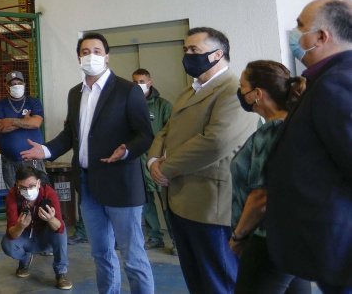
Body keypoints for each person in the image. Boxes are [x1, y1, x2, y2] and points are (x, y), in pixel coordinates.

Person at [22, 32, 155, 294]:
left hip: (121, 185)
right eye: (85, 52)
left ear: (107, 56)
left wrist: (126, 150)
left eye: (96, 51)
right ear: (78, 58)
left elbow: (145, 135)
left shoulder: (128, 90)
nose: (90, 56)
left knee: (132, 256)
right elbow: (70, 135)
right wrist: (46, 150)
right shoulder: (75, 93)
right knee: (101, 253)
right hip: (88, 184)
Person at [147, 27, 259, 294]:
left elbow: (215, 142)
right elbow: (166, 130)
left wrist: (166, 168)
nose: (187, 55)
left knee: (219, 280)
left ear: (217, 54)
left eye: (194, 50)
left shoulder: (233, 90)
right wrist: (153, 160)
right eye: (185, 49)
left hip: (211, 204)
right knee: (196, 278)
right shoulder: (189, 91)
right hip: (181, 200)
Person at [267, 0, 352, 294]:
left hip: (341, 249)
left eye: (300, 26)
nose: (296, 34)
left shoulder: (338, 83)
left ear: (321, 37)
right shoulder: (326, 80)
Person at [229, 61, 311, 294]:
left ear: (257, 93)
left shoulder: (272, 131)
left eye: (242, 86)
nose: (239, 91)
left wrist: (238, 235)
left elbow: (261, 197)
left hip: (269, 239)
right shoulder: (294, 124)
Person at [1, 166, 72, 290]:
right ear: (17, 185)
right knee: (7, 244)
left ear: (38, 183)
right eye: (23, 187)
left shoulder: (49, 193)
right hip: (25, 236)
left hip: (46, 238)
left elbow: (59, 228)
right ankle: (25, 258)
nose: (28, 191)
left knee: (60, 228)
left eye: (32, 186)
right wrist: (20, 226)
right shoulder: (13, 195)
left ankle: (61, 272)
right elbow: (11, 234)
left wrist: (50, 219)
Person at [131, 68, 175, 253]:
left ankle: (176, 241)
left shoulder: (163, 105)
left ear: (150, 83)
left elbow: (172, 133)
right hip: (138, 162)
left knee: (168, 204)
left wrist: (165, 156)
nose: (138, 85)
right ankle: (155, 237)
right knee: (146, 203)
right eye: (135, 82)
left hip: (159, 162)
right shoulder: (130, 104)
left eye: (142, 81)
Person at [0, 71, 46, 191]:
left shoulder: (33, 102)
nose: (16, 86)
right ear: (7, 87)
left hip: (33, 158)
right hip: (9, 160)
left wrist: (11, 121)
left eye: (19, 83)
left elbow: (36, 123)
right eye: (13, 84)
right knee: (14, 194)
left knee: (37, 192)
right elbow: (0, 127)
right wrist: (25, 122)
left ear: (24, 84)